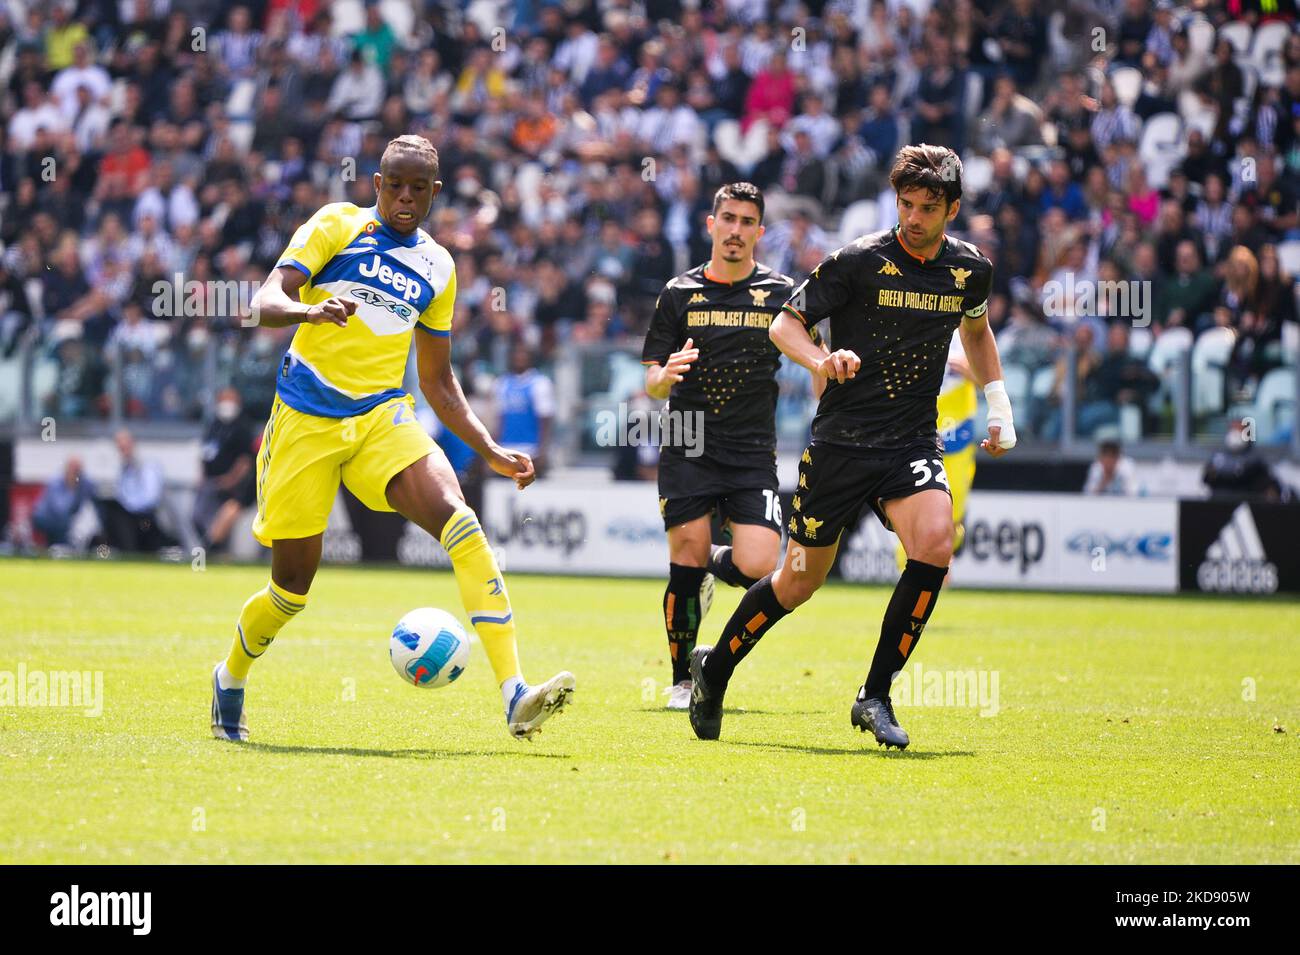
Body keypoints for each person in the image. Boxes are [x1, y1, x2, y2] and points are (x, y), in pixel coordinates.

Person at [211, 135, 575, 743]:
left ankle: (514, 693)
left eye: (418, 188)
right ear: (376, 185)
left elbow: (436, 378)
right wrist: (308, 312)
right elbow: (265, 301)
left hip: (383, 415)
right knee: (291, 590)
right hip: (306, 419)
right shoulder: (336, 225)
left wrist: (489, 450)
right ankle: (231, 674)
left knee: (462, 524)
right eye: (394, 185)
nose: (405, 197)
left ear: (435, 193)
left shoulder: (439, 266)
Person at [688, 145, 1017, 749]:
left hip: (911, 440)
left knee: (936, 545)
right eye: (906, 204)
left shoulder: (970, 269)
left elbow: (976, 328)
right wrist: (822, 357)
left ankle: (875, 695)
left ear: (953, 208)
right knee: (799, 581)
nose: (914, 217)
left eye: (928, 207)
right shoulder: (858, 261)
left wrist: (999, 404)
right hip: (842, 441)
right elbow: (784, 324)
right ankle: (714, 669)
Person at [641, 182, 825, 710]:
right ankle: (681, 679)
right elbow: (652, 378)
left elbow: (813, 354)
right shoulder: (678, 293)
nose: (736, 231)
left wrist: (827, 398)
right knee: (684, 557)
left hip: (750, 451)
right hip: (687, 441)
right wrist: (664, 377)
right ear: (711, 225)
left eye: (748, 222)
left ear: (760, 233)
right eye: (729, 219)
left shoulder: (781, 293)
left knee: (757, 564)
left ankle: (707, 569)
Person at [897, 331, 978, 569]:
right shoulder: (914, 323)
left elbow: (992, 380)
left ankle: (940, 566)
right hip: (918, 433)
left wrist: (969, 370)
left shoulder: (968, 330)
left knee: (951, 516)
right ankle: (909, 575)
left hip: (957, 438)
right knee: (913, 512)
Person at [192, 387, 255, 552]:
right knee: (197, 516)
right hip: (212, 483)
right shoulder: (214, 424)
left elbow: (245, 461)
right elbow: (205, 453)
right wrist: (203, 476)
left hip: (234, 488)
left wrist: (230, 480)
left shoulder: (243, 427)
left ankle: (211, 549)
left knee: (226, 515)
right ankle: (207, 547)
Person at [95, 429, 174, 554]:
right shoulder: (123, 469)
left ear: (132, 443)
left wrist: (127, 507)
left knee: (119, 515)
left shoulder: (148, 466)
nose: (122, 450)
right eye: (120, 447)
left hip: (147, 519)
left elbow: (151, 498)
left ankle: (129, 551)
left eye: (124, 446)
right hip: (131, 518)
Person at [494, 343, 555, 477]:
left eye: (523, 354)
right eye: (516, 354)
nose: (519, 358)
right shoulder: (502, 383)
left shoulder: (540, 383)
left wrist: (542, 450)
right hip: (507, 450)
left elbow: (545, 420)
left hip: (531, 451)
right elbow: (500, 419)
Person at [32, 457, 94, 549]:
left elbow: (93, 493)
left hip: (63, 519)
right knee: (64, 523)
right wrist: (73, 490)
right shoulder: (55, 483)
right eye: (72, 469)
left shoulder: (84, 483)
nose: (75, 473)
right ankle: (60, 548)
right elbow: (60, 509)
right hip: (45, 517)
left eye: (77, 470)